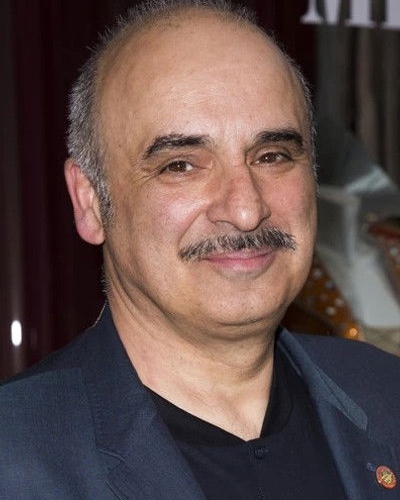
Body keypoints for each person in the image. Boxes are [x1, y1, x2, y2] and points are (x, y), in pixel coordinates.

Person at [1, 1, 400, 498]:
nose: (246, 209)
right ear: (91, 202)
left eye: (272, 156)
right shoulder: (15, 457)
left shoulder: (388, 397)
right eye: (181, 165)